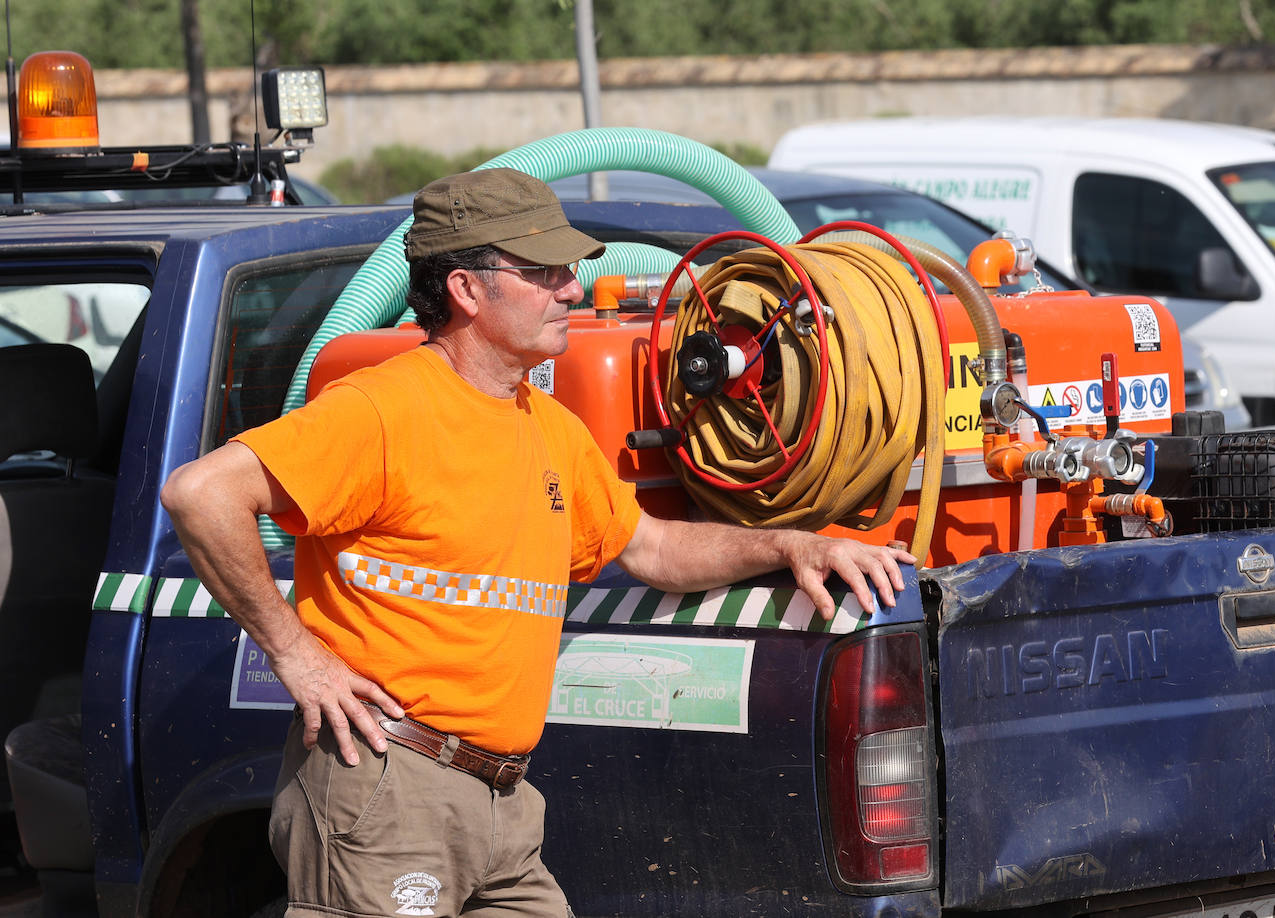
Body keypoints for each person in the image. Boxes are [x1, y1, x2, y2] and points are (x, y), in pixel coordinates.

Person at [160, 168, 916, 918]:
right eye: (544, 272)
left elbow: (649, 548)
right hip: (389, 788)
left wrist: (790, 546)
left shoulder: (547, 426)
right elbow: (202, 494)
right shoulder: (382, 410)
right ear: (465, 289)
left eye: (569, 270)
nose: (573, 289)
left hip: (503, 800)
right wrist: (298, 655)